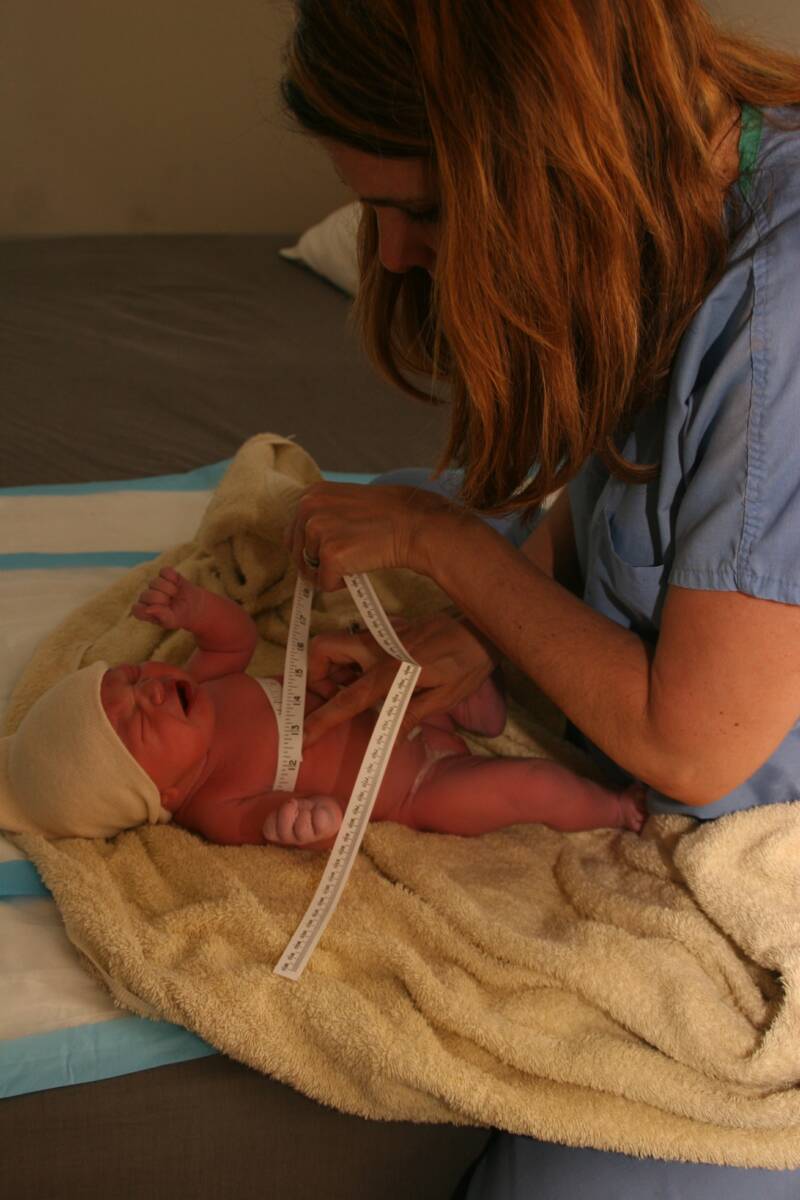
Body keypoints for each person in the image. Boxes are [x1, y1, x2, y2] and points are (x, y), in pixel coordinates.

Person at [278, 1, 800, 1194]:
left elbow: (693, 743)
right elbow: (636, 482)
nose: (394, 254)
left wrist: (445, 541)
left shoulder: (776, 322)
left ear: (544, 158)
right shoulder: (684, 200)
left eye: (420, 211)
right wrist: (483, 627)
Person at [0, 567, 645, 844]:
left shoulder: (209, 686)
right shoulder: (213, 809)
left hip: (396, 703)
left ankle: (476, 705)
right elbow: (278, 824)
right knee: (526, 786)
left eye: (133, 675)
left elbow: (237, 638)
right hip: (416, 786)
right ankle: (615, 807)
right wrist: (302, 823)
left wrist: (195, 610)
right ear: (160, 794)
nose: (151, 690)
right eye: (139, 720)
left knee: (413, 636)